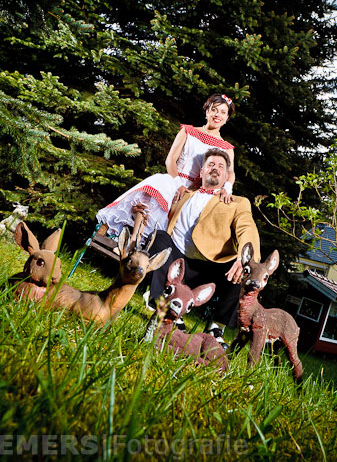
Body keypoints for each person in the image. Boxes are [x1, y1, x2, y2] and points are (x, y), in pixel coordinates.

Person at [140, 148, 260, 349]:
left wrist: (245, 257)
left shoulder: (237, 202)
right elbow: (156, 209)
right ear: (201, 172)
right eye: (211, 165)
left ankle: (216, 327)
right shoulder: (184, 194)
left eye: (221, 166)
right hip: (178, 260)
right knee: (160, 237)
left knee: (243, 267)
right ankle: (164, 307)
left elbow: (247, 228)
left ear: (227, 176)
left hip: (211, 266)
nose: (215, 169)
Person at [96, 94, 237, 241]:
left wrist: (227, 189)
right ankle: (134, 241)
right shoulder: (188, 131)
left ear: (227, 118)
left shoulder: (226, 148)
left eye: (222, 112)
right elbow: (170, 160)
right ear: (207, 111)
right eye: (214, 109)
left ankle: (145, 245)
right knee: (157, 183)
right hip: (175, 179)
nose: (217, 115)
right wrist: (178, 185)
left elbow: (230, 173)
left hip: (197, 190)